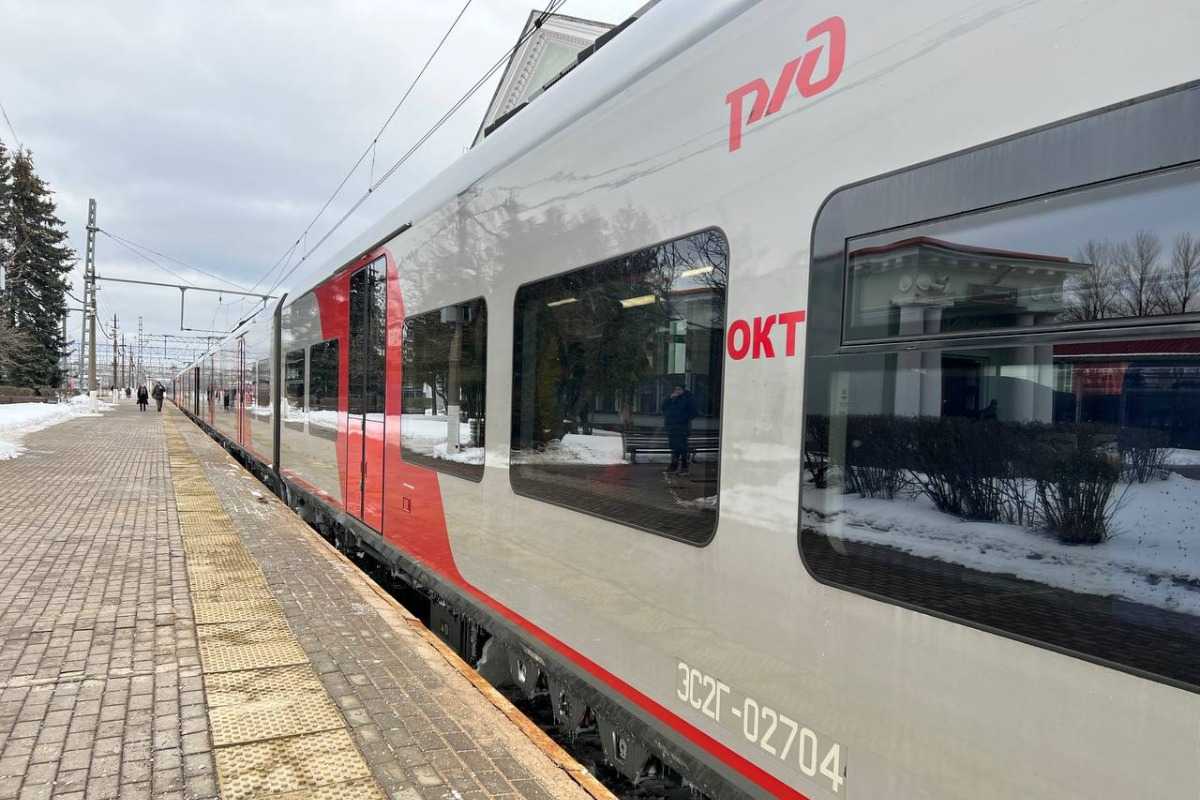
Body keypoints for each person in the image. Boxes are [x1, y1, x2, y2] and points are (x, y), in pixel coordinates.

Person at [661, 383, 697, 475]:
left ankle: (684, 467)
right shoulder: (672, 398)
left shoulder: (688, 398)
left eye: (679, 389)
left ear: (683, 390)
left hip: (682, 427)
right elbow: (663, 407)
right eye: (675, 389)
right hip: (672, 427)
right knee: (674, 447)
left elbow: (694, 413)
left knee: (682, 448)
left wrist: (682, 419)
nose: (677, 391)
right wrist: (669, 398)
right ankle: (674, 466)